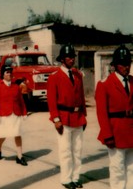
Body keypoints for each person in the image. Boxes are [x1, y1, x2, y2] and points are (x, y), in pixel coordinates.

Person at [47, 44, 87, 189]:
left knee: (77, 150)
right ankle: (66, 179)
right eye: (69, 57)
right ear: (62, 59)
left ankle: (75, 177)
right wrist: (56, 119)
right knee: (65, 151)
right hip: (63, 118)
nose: (72, 59)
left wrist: (84, 116)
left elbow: (81, 97)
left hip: (78, 117)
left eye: (73, 57)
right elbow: (51, 101)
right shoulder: (55, 77)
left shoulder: (77, 75)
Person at [95, 45, 133, 189]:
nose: (126, 67)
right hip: (115, 132)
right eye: (123, 64)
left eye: (128, 63)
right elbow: (101, 113)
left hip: (131, 130)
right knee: (117, 168)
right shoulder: (105, 84)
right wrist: (107, 135)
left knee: (131, 168)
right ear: (116, 65)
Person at [0, 65, 28, 166]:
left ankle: (20, 156)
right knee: (3, 135)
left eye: (10, 72)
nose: (9, 74)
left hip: (16, 114)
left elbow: (21, 102)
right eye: (7, 72)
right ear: (3, 74)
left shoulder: (16, 87)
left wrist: (24, 113)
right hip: (3, 115)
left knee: (17, 134)